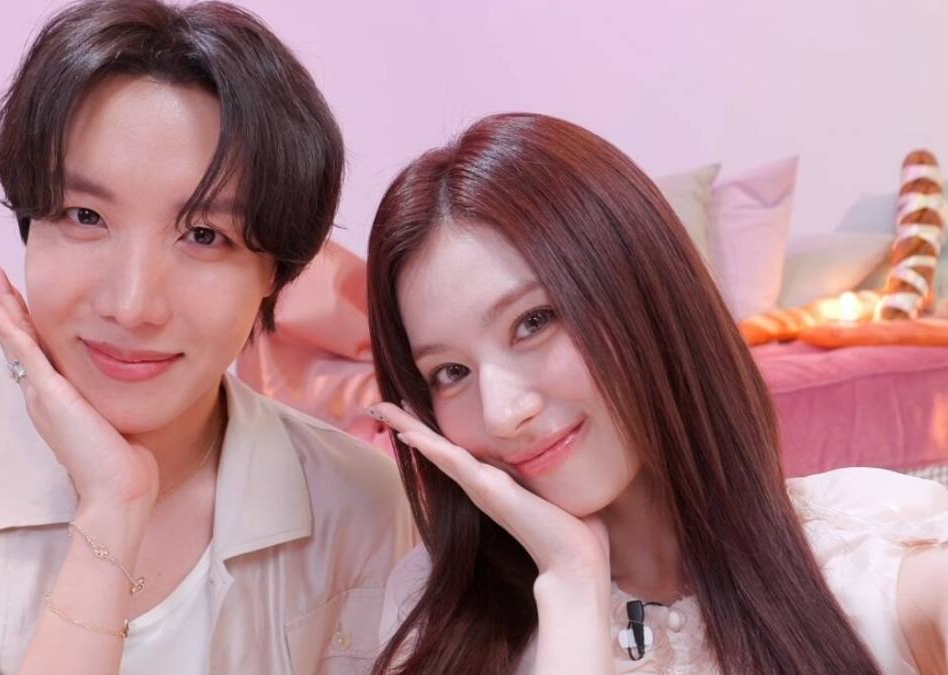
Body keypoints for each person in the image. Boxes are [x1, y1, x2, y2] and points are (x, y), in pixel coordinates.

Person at [0, 2, 413, 673]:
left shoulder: (363, 505)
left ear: (276, 272)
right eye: (85, 216)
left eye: (204, 235)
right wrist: (111, 514)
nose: (132, 304)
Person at [363, 113, 948, 674]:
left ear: (643, 292)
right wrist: (570, 585)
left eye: (533, 322)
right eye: (451, 372)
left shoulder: (879, 557)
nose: (503, 413)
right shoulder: (435, 622)